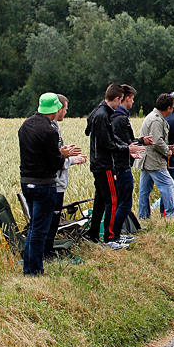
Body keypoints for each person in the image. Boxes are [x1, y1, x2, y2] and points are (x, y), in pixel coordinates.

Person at [20, 93, 73, 275]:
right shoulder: (49, 131)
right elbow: (55, 163)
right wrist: (63, 155)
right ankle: (34, 270)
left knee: (34, 227)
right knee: (40, 230)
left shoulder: (26, 125)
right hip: (44, 184)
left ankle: (28, 267)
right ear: (56, 109)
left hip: (26, 182)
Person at [85, 84, 144, 244]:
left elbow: (94, 131)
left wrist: (127, 146)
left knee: (100, 201)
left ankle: (93, 234)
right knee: (112, 201)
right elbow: (107, 143)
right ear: (117, 98)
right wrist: (126, 148)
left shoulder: (98, 111)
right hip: (104, 165)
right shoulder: (103, 115)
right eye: (120, 100)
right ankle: (111, 237)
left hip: (98, 163)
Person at [107, 85, 149, 244]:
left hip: (121, 163)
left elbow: (125, 142)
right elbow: (122, 143)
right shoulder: (120, 118)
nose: (133, 102)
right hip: (121, 166)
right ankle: (115, 235)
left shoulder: (117, 116)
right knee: (124, 203)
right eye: (132, 99)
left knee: (122, 202)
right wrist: (129, 150)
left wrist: (140, 142)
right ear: (126, 98)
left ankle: (117, 234)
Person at [48, 94, 88, 256]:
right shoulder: (50, 129)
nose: (66, 112)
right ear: (58, 109)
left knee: (53, 221)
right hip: (55, 183)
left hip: (58, 182)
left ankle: (47, 251)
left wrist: (69, 155)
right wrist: (71, 160)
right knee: (51, 222)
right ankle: (47, 253)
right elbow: (54, 159)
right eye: (65, 109)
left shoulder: (54, 127)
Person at [137, 94, 174, 218]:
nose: (173, 109)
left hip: (147, 159)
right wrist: (167, 151)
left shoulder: (154, 117)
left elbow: (156, 139)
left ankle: (143, 216)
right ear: (168, 108)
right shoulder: (156, 120)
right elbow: (156, 141)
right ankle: (171, 214)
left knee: (145, 190)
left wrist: (168, 147)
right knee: (168, 184)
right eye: (172, 107)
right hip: (153, 160)